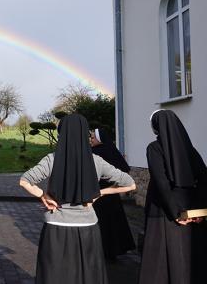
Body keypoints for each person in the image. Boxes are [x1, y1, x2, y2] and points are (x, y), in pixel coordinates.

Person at [19, 114, 136, 284]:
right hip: (87, 226)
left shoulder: (52, 159)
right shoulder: (96, 161)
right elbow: (130, 184)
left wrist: (43, 195)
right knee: (87, 274)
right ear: (84, 134)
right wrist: (99, 193)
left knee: (55, 274)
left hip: (56, 227)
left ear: (62, 133)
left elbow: (24, 180)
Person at [139, 109, 207, 284]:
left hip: (164, 211)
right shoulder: (191, 150)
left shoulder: (154, 148)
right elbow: (204, 179)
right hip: (192, 211)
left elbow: (162, 183)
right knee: (189, 256)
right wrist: (200, 210)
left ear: (156, 127)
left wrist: (176, 212)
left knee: (163, 259)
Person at [90, 128, 136, 259]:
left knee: (101, 223)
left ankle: (100, 251)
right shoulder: (112, 150)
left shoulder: (94, 153)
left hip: (98, 193)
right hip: (112, 192)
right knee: (113, 223)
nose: (91, 140)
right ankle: (114, 251)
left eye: (93, 138)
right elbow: (124, 169)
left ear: (100, 139)